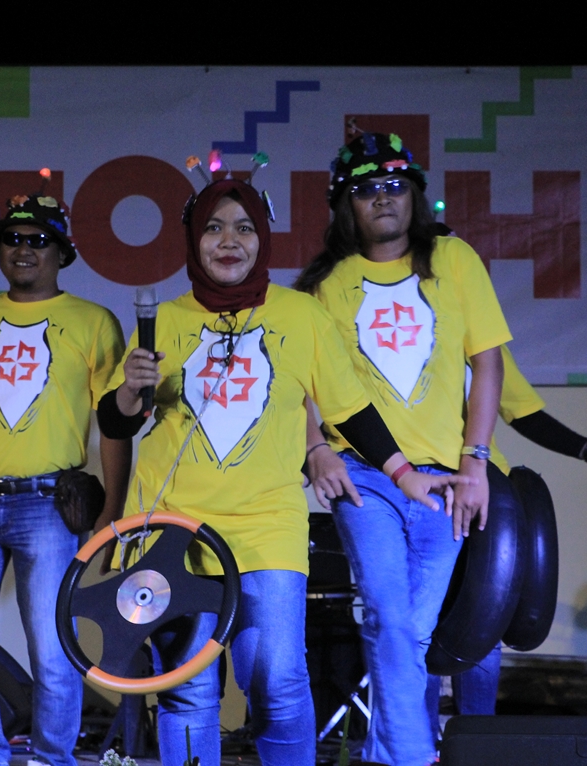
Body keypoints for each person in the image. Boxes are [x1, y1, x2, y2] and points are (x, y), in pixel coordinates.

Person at [97, 171, 468, 766]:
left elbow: (351, 411)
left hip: (267, 527)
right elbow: (118, 424)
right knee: (186, 689)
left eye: (245, 228)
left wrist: (403, 473)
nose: (229, 241)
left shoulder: (302, 315)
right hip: (170, 531)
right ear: (192, 238)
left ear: (263, 238)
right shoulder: (162, 319)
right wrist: (126, 391)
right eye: (214, 228)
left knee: (277, 680)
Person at [295, 130, 512, 766]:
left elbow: (488, 363)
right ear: (346, 205)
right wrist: (314, 448)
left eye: (394, 186)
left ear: (415, 194)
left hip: (446, 478)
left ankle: (387, 756)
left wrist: (476, 461)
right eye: (367, 190)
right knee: (390, 619)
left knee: (412, 632)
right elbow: (300, 385)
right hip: (364, 476)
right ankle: (411, 758)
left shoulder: (454, 259)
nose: (383, 198)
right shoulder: (325, 285)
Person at [0, 190, 131, 766]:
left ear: (62, 252)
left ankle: (51, 759)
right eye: (12, 238)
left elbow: (115, 425)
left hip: (49, 502)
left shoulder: (94, 321)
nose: (24, 248)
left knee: (52, 643)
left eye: (39, 240)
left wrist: (113, 512)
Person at [425, 342, 587, 725]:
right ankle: (418, 742)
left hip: (483, 490)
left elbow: (523, 411)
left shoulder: (479, 340)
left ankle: (477, 739)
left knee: (484, 618)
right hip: (423, 489)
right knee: (422, 620)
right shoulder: (401, 331)